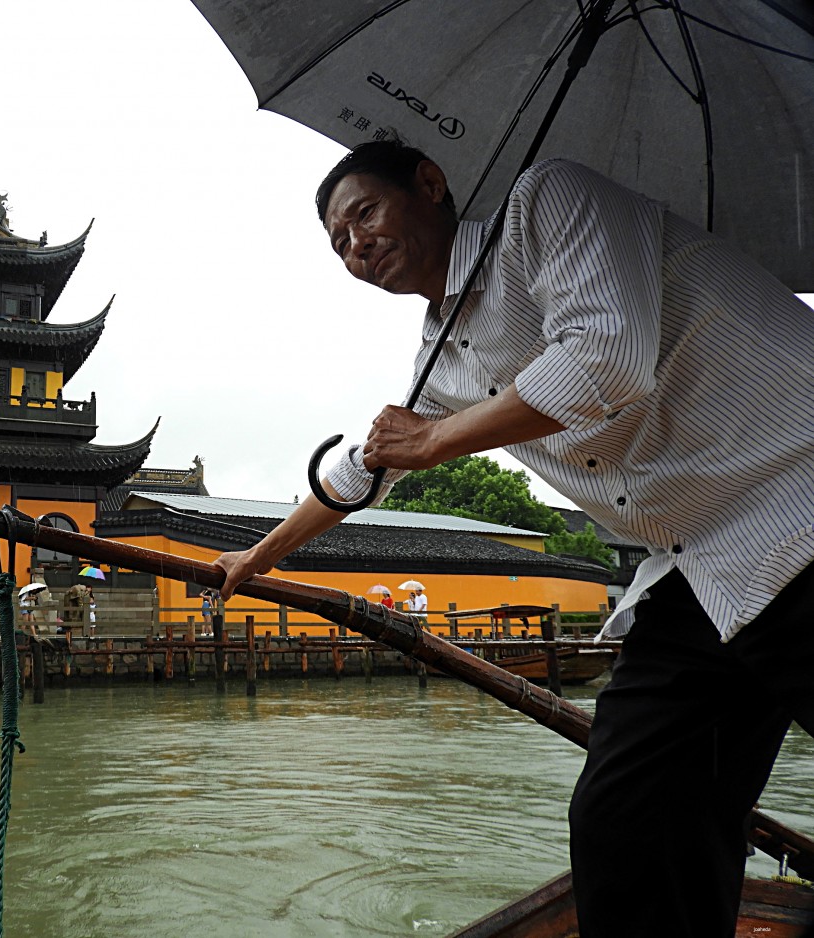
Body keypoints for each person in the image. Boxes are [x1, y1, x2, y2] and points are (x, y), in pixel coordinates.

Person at [213, 138, 814, 938]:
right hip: (697, 564)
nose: (355, 245)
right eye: (337, 241)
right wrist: (254, 559)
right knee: (630, 817)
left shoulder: (549, 205)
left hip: (795, 500)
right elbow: (361, 476)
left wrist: (434, 440)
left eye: (364, 213)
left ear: (430, 185)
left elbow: (604, 361)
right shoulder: (438, 360)